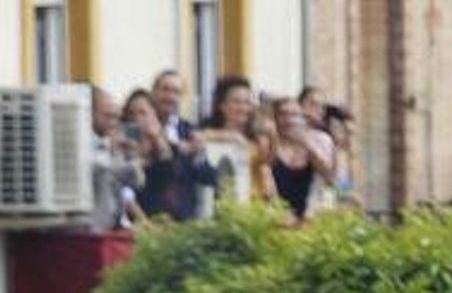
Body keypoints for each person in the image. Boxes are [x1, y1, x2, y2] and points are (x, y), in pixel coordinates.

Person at [124, 90, 202, 221]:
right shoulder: (124, 150)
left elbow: (168, 169)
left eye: (142, 113)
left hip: (172, 218)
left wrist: (157, 137)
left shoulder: (173, 147)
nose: (136, 118)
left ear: (154, 115)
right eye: (131, 114)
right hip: (140, 220)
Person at [197, 76, 272, 207]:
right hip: (213, 208)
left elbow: (267, 183)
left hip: (251, 209)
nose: (243, 108)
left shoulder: (257, 141)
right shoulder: (207, 133)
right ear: (222, 105)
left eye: (247, 102)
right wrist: (233, 136)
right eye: (237, 102)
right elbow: (196, 138)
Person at [266, 98, 337, 220]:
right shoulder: (270, 144)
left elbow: (329, 176)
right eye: (283, 114)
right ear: (275, 118)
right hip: (276, 218)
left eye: (294, 115)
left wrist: (307, 144)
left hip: (308, 219)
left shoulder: (312, 143)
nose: (289, 119)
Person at [89, 86, 146, 230]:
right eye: (108, 116)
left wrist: (132, 156)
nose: (114, 123)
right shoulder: (85, 143)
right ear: (89, 114)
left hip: (115, 225)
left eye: (117, 117)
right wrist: (109, 148)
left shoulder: (112, 142)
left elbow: (136, 182)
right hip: (92, 228)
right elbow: (102, 169)